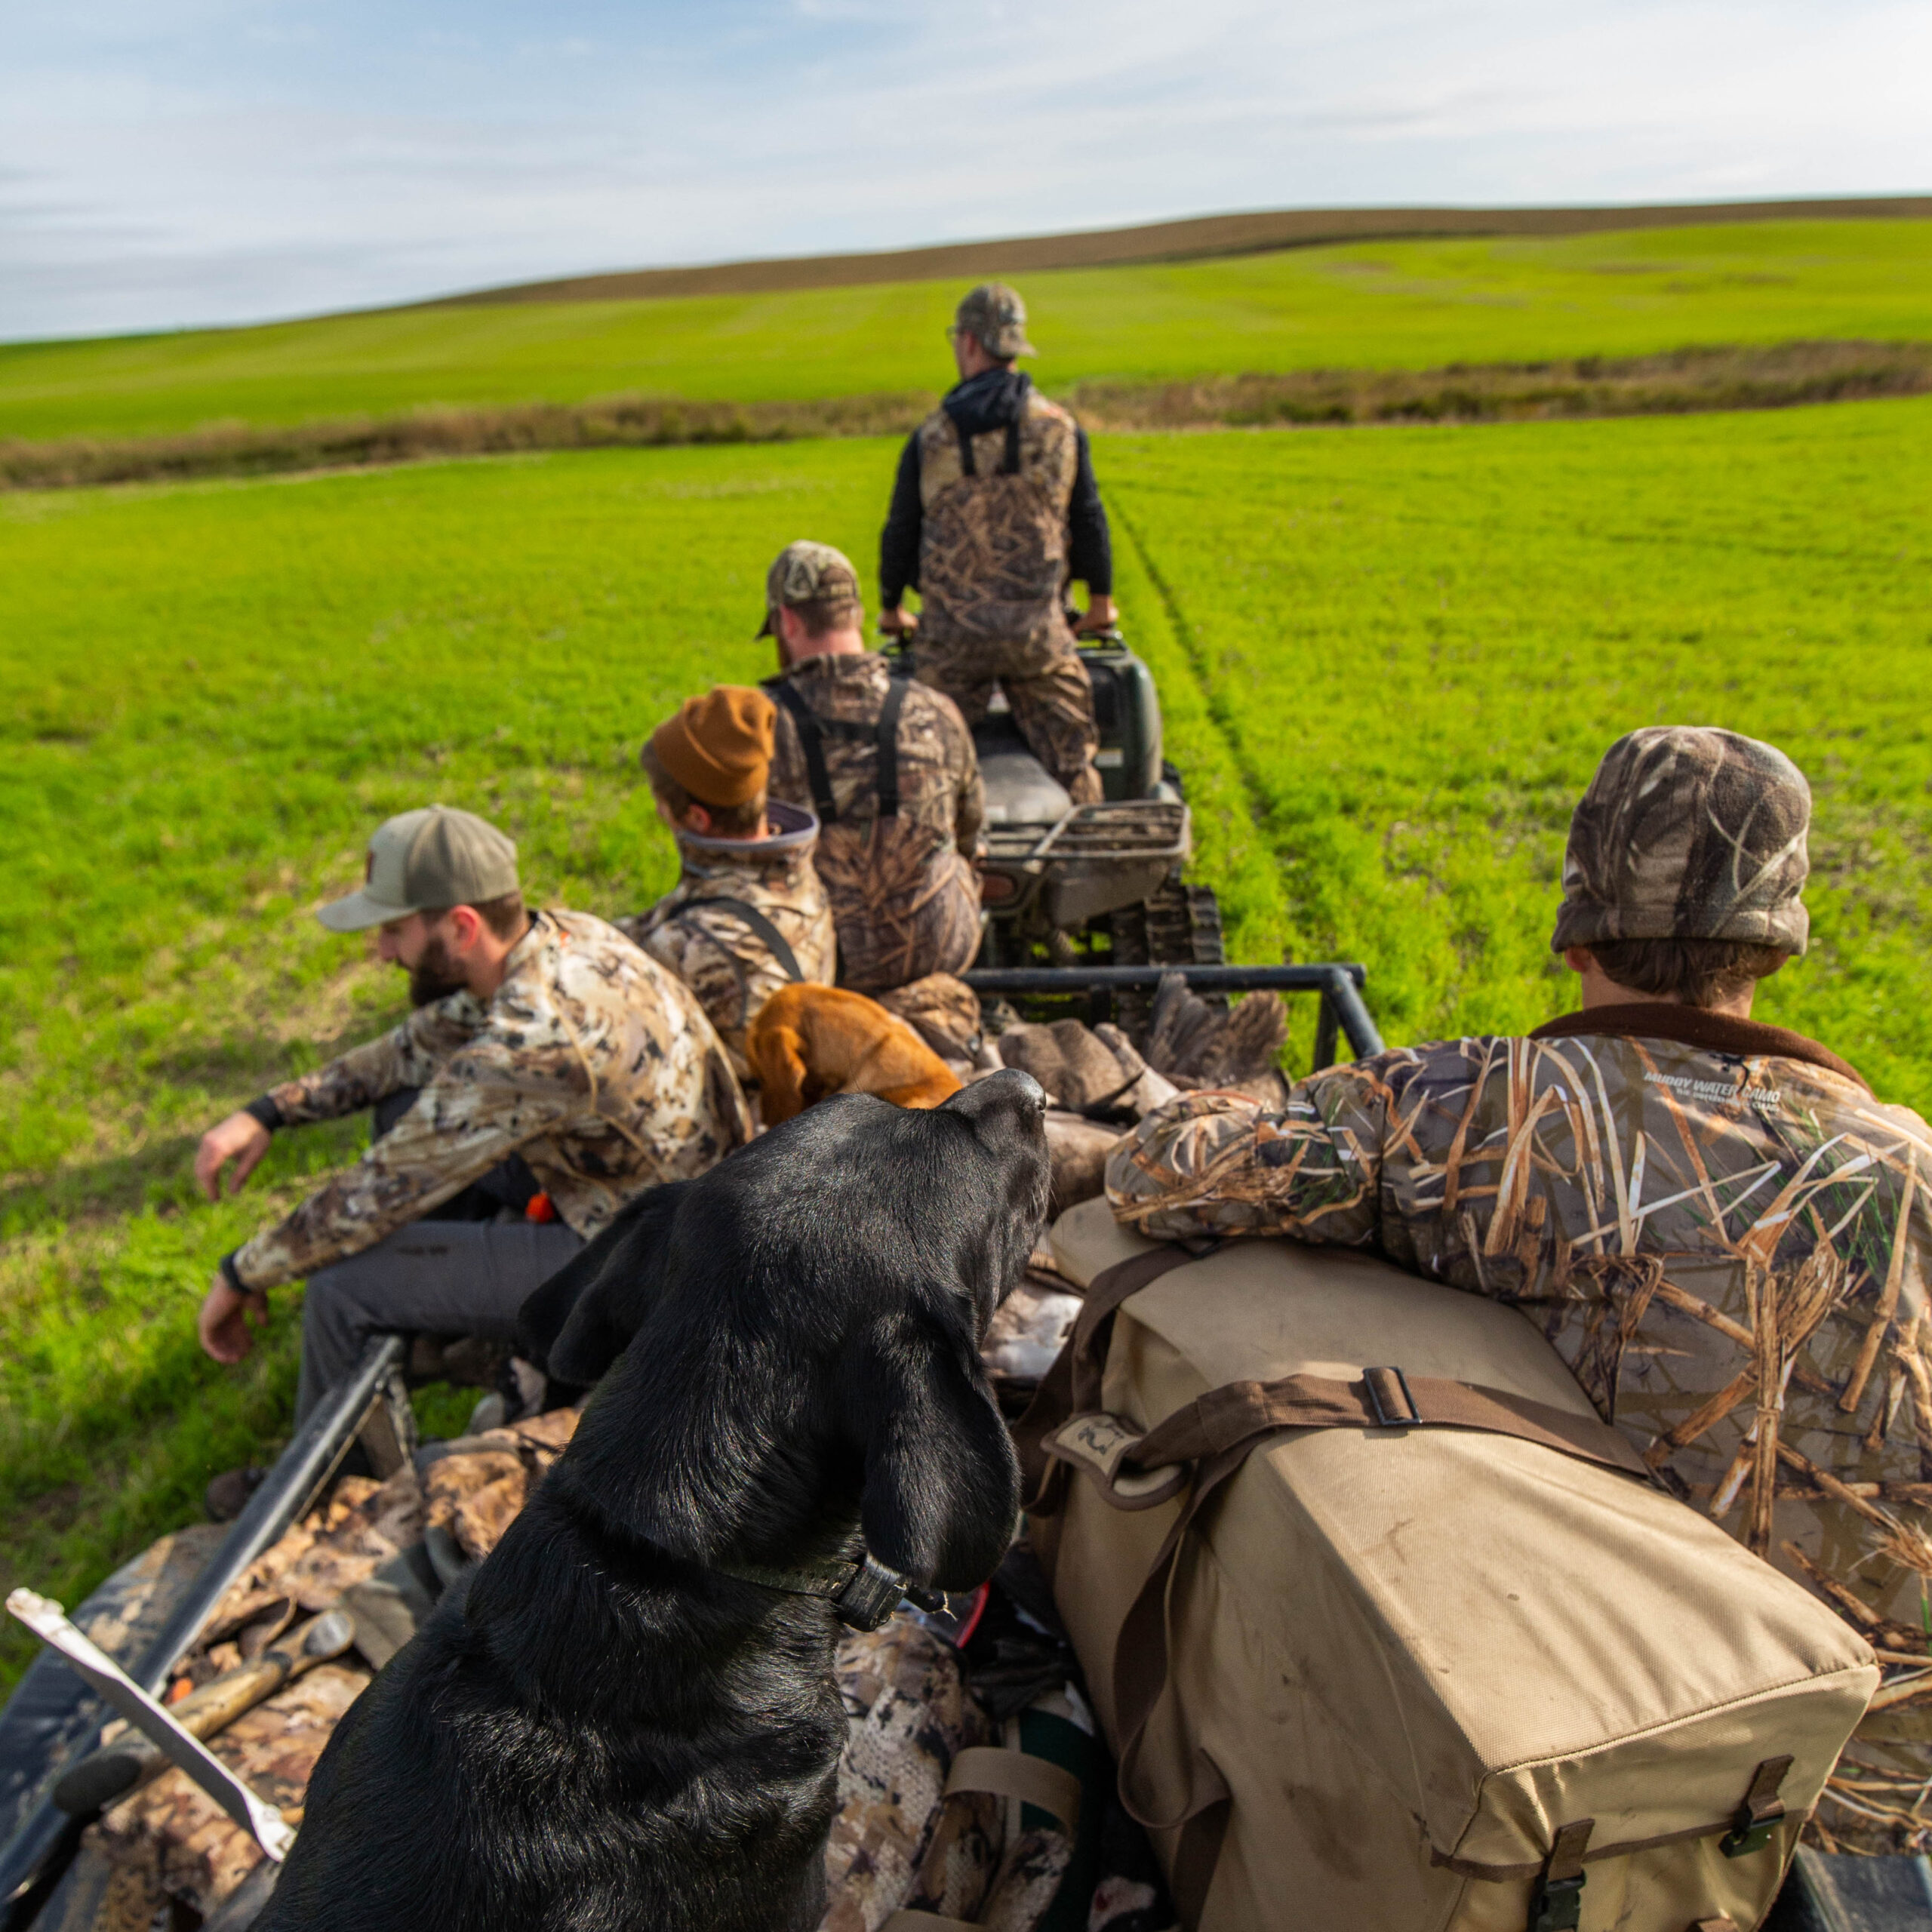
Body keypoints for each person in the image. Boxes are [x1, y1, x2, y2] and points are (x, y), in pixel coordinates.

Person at [1107, 728, 1932, 1660]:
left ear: (1575, 926)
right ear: (1776, 945)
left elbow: (1157, 1172)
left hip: (1599, 1751)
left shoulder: (1483, 1110)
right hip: (1886, 1777)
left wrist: (1244, 1102)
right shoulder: (1910, 1165)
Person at [194, 804, 749, 1446]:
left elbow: (376, 1192)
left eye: (394, 931)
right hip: (662, 1206)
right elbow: (415, 1046)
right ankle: (445, 1333)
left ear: (461, 926)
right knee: (401, 1106)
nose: (380, 952)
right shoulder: (567, 938)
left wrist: (241, 1273)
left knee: (342, 1286)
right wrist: (270, 1111)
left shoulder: (531, 1041)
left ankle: (319, 1498)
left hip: (659, 1274)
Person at [878, 282, 1113, 804]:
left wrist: (893, 608)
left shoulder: (931, 437)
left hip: (950, 642)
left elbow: (901, 529)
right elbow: (1089, 518)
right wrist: (1101, 603)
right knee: (1075, 759)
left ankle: (936, 871)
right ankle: (1090, 863)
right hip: (1039, 639)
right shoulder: (1060, 429)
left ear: (966, 343)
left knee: (927, 766)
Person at [761, 540, 986, 996]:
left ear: (787, 620)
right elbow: (971, 834)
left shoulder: (762, 726)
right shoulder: (936, 711)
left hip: (818, 965)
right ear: (857, 616)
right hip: (936, 953)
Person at [618, 685, 835, 1078]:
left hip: (744, 1128)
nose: (658, 811)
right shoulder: (799, 873)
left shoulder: (692, 943)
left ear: (698, 820)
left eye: (662, 805)